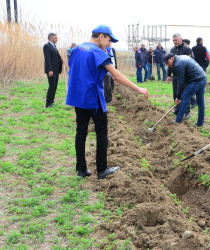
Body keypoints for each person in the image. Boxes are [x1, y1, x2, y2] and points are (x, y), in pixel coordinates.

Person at [66, 25, 149, 179]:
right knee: (102, 132)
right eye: (109, 40)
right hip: (93, 99)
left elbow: (73, 69)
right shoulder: (98, 52)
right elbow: (116, 76)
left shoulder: (76, 49)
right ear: (101, 36)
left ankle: (81, 169)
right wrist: (139, 89)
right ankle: (102, 169)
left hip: (78, 98)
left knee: (81, 131)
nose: (110, 44)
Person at [164, 53, 206, 126]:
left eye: (167, 63)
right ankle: (200, 123)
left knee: (184, 97)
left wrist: (178, 97)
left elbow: (181, 82)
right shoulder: (178, 59)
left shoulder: (178, 64)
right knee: (200, 102)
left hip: (197, 80)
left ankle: (178, 121)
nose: (167, 65)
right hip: (203, 77)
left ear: (172, 58)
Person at [167, 33, 193, 117]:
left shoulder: (187, 50)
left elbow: (192, 62)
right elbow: (169, 63)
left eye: (176, 40)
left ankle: (186, 111)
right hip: (175, 75)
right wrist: (168, 75)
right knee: (176, 93)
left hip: (185, 76)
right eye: (173, 40)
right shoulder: (172, 50)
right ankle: (177, 109)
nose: (175, 42)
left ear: (181, 39)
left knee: (185, 93)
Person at [43, 33, 63, 108]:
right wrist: (50, 70)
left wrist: (61, 60)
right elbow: (47, 59)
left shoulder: (54, 46)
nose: (57, 39)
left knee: (55, 86)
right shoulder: (47, 46)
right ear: (51, 39)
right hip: (51, 71)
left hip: (56, 70)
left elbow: (55, 58)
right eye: (55, 38)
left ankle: (52, 102)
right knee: (51, 86)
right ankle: (48, 104)